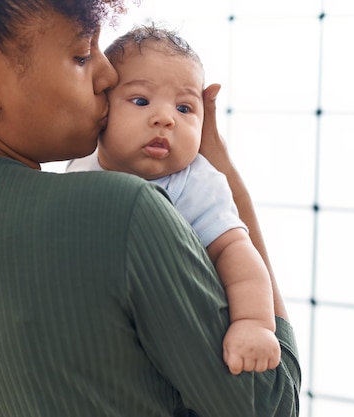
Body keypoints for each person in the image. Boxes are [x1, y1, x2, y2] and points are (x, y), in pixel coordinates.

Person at [0, 0, 301, 415]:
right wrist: (223, 176)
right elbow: (271, 405)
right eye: (81, 56)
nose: (107, 75)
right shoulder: (124, 209)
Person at [67, 24, 280, 376]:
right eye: (140, 101)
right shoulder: (79, 169)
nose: (165, 118)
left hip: (181, 339)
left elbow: (237, 254)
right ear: (102, 106)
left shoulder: (195, 183)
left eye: (184, 108)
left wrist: (254, 323)